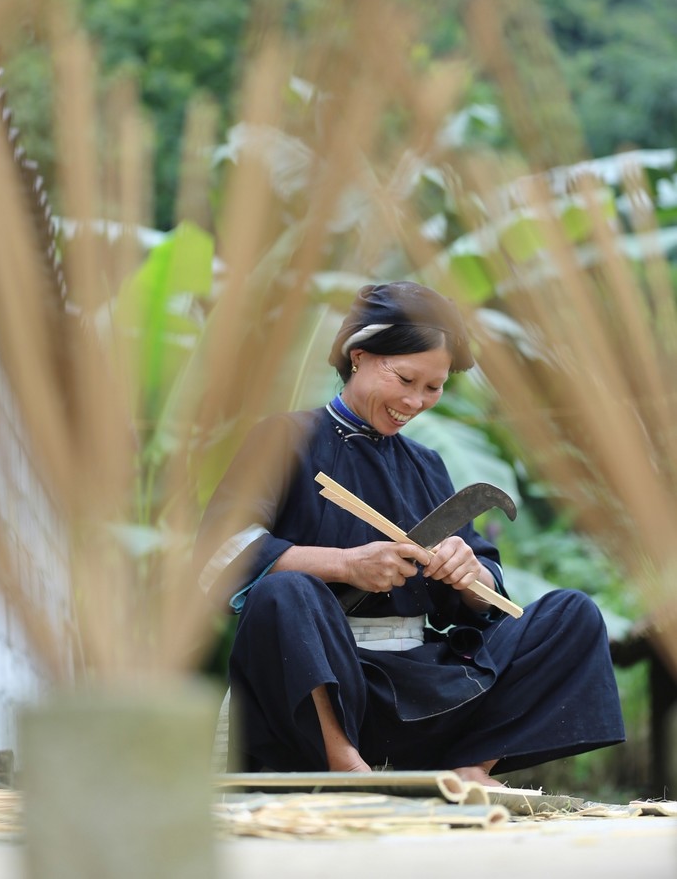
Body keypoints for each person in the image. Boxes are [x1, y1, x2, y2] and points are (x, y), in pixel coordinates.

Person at [197, 281, 625, 784]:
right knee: (283, 592)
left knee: (572, 614)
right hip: (322, 682)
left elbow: (485, 602)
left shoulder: (427, 465)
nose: (415, 401)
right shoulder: (285, 437)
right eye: (405, 378)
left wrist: (471, 575)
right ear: (359, 356)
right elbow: (220, 554)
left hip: (421, 683)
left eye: (433, 387)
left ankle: (471, 767)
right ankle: (346, 767)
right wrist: (347, 564)